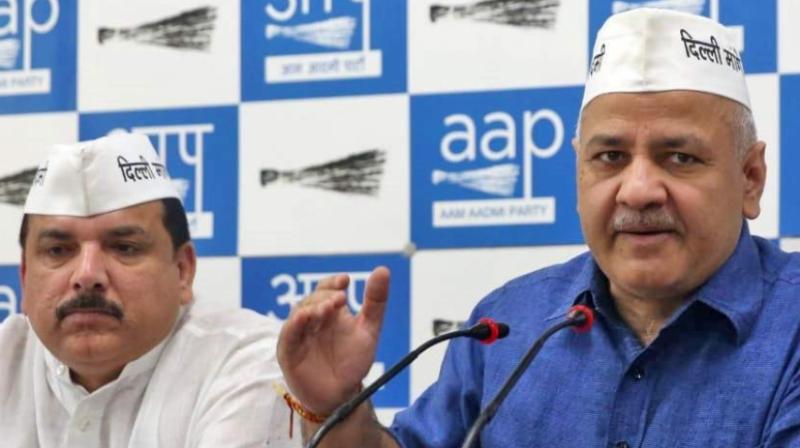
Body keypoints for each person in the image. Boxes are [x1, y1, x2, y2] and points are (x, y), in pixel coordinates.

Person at [277, 8, 800, 447]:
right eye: (610, 156)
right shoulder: (508, 324)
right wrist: (338, 407)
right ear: (578, 170)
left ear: (750, 179)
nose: (638, 189)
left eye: (680, 157)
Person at [0, 132, 299, 447]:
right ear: (24, 276)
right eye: (58, 251)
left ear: (182, 271)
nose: (87, 275)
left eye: (124, 248)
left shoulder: (249, 361)